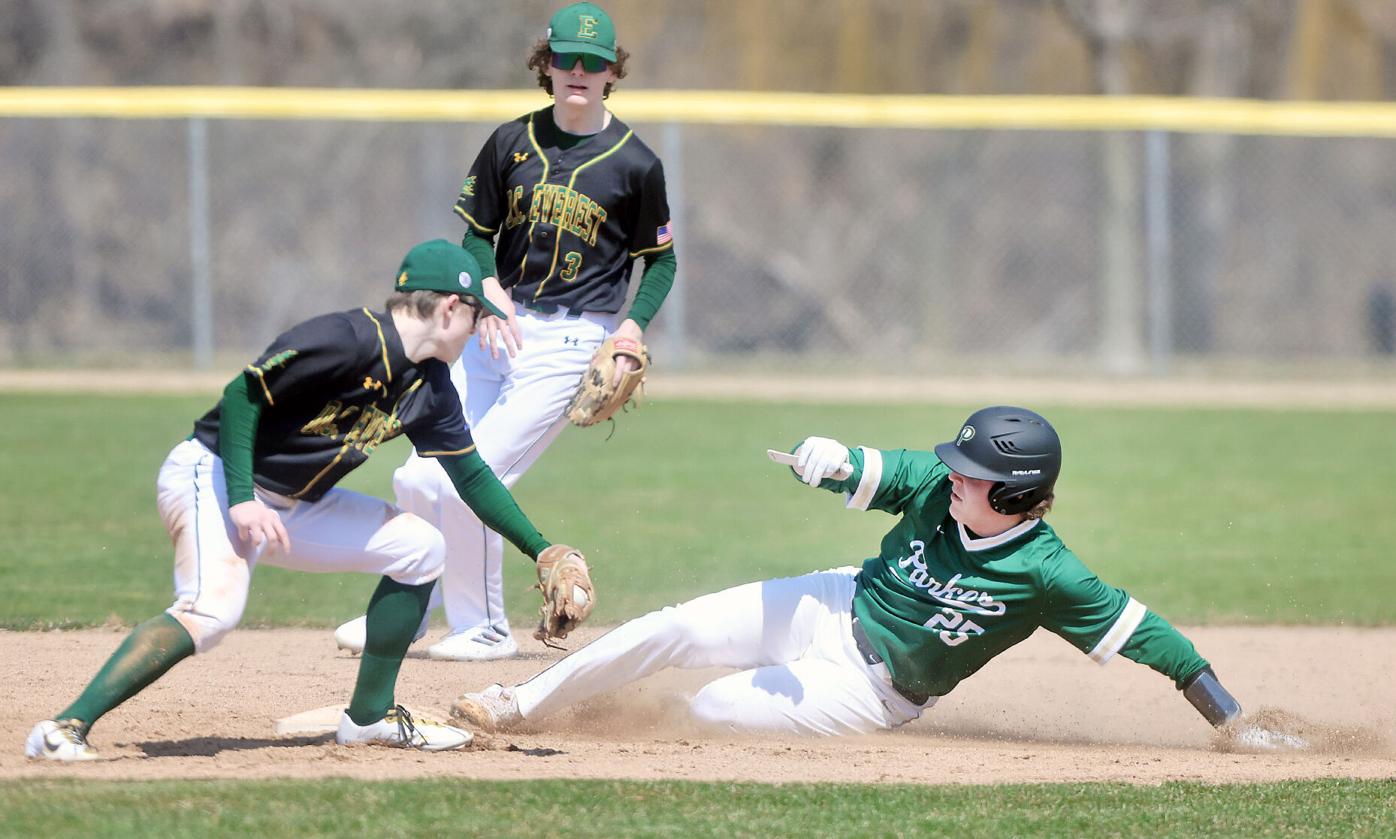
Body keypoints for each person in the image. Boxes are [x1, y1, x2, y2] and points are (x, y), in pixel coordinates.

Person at [26, 239, 583, 761]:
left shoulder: (431, 388)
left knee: (420, 549)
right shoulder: (345, 339)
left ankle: (370, 718)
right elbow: (242, 397)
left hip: (293, 503)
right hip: (215, 474)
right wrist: (242, 500)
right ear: (448, 310)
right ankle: (62, 729)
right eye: (477, 314)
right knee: (211, 613)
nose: (479, 328)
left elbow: (473, 478)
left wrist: (541, 549)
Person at [447, 406, 1254, 738]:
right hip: (836, 601)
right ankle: (517, 703)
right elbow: (877, 465)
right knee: (675, 626)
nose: (955, 474)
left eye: (974, 472)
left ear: (1014, 494)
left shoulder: (1050, 575)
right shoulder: (941, 486)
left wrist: (1233, 722)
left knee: (716, 709)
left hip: (873, 692)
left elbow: (1153, 638)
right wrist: (828, 461)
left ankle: (615, 716)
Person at [334, 1, 677, 661]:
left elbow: (660, 262)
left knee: (471, 477)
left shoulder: (636, 164)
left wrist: (632, 328)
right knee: (415, 476)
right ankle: (410, 611)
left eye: (594, 62)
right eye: (566, 59)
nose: (578, 71)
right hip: (499, 326)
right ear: (545, 65)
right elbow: (477, 235)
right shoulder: (510, 142)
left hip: (576, 339)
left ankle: (485, 628)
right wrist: (487, 290)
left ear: (612, 73)